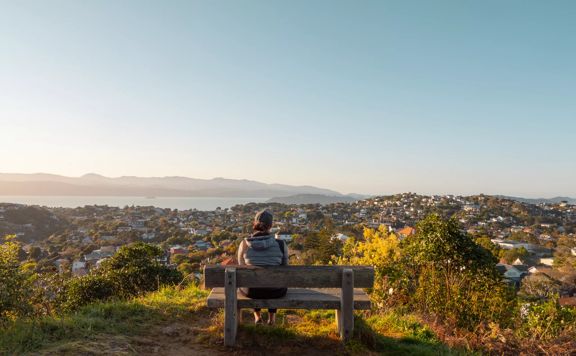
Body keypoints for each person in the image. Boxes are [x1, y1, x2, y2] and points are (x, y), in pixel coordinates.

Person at [237, 209, 288, 325]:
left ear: (255, 224)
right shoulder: (280, 244)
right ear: (271, 226)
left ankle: (257, 317)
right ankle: (271, 319)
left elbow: (241, 267)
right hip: (276, 292)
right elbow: (285, 268)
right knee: (274, 282)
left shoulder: (244, 244)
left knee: (252, 283)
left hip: (251, 292)